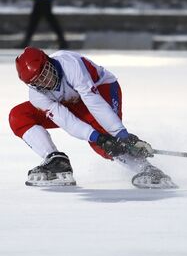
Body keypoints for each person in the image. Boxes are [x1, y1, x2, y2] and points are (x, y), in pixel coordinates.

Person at [9, 47, 176, 189]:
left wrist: (121, 135)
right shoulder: (37, 95)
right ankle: (55, 160)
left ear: (48, 61)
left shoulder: (70, 65)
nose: (46, 81)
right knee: (19, 116)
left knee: (107, 142)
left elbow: (93, 101)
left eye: (45, 73)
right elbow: (66, 120)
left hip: (100, 89)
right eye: (38, 81)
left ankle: (147, 169)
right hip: (70, 102)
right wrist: (97, 137)